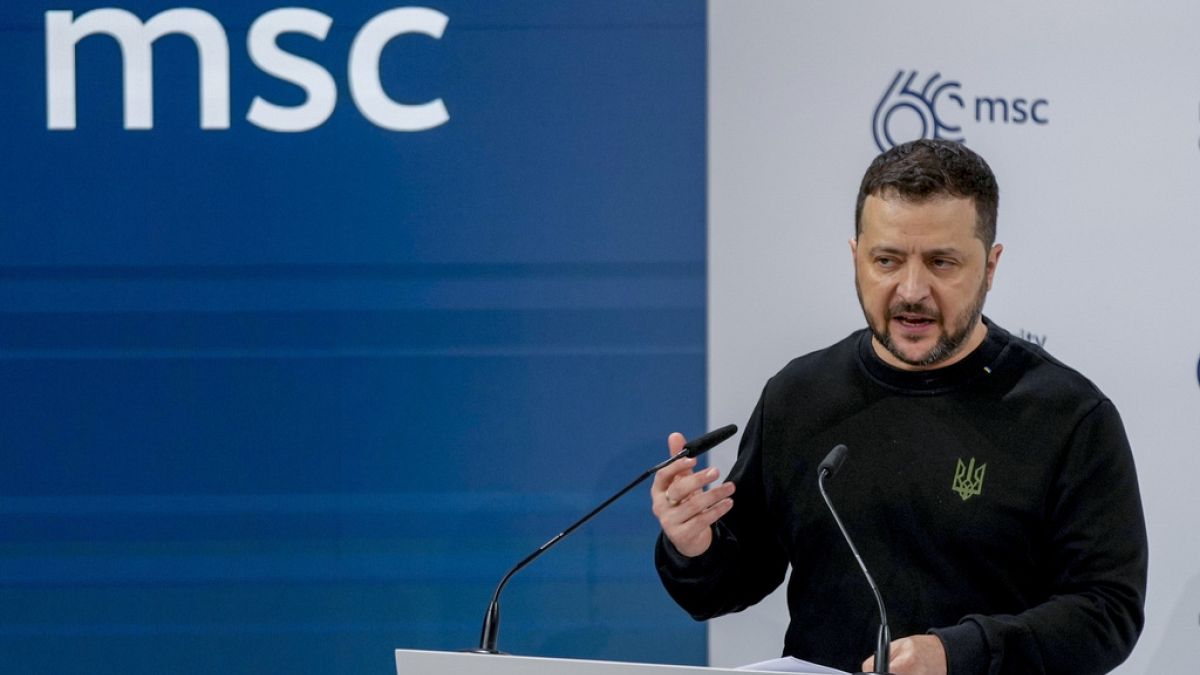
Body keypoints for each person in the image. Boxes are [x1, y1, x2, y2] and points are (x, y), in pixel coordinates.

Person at [651, 139, 1148, 675]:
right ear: (856, 257)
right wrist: (693, 547)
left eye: (942, 262)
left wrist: (959, 655)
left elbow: (1107, 613)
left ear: (991, 266)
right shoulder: (798, 395)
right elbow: (728, 584)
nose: (912, 290)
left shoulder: (1067, 415)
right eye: (887, 260)